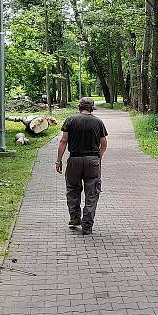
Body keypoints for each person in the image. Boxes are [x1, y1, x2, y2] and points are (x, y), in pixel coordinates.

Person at [56, 97, 108, 235]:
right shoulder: (98, 122)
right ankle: (87, 225)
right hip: (92, 161)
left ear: (79, 107)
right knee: (92, 193)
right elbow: (104, 143)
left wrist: (59, 160)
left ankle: (74, 218)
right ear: (91, 108)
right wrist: (98, 158)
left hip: (74, 160)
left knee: (73, 189)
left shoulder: (70, 120)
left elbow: (63, 141)